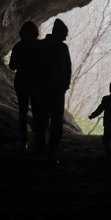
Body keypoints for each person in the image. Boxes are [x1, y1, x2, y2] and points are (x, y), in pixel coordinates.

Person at [37, 18, 72, 164]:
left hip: (42, 89)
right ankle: (51, 154)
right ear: (59, 33)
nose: (65, 37)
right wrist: (65, 85)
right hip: (57, 90)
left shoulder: (41, 45)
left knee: (42, 120)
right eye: (64, 34)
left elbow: (35, 67)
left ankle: (40, 149)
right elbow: (68, 69)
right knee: (56, 122)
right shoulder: (63, 48)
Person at [8, 21, 41, 155]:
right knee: (38, 111)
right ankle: (39, 141)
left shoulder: (18, 46)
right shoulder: (39, 46)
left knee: (22, 111)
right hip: (36, 81)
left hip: (21, 80)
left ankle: (24, 141)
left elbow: (12, 66)